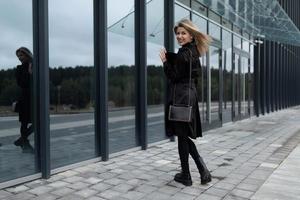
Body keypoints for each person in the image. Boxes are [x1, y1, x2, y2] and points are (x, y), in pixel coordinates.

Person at [159, 19, 211, 186]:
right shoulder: (194, 51)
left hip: (181, 97)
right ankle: (201, 170)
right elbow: (187, 70)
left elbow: (174, 76)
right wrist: (173, 58)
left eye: (183, 33)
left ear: (190, 35)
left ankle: (188, 175)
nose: (179, 36)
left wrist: (165, 62)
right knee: (183, 136)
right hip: (190, 96)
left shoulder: (184, 53)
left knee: (182, 137)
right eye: (178, 33)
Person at [14, 47, 34, 153]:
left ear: (27, 55)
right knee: (24, 122)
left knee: (39, 122)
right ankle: (25, 145)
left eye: (21, 55)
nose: (19, 58)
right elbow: (22, 84)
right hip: (25, 98)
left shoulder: (36, 65)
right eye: (18, 56)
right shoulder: (19, 69)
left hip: (35, 98)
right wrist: (29, 72)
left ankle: (22, 140)